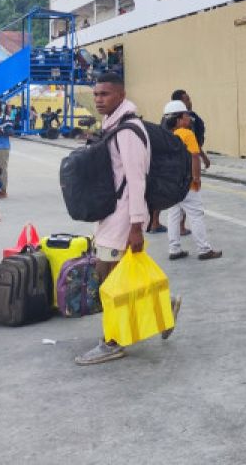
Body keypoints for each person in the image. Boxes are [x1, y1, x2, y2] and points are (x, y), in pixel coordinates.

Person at [76, 74, 178, 365]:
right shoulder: (114, 126)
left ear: (121, 95)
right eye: (95, 94)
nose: (98, 99)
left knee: (108, 281)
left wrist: (137, 226)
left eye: (105, 94)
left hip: (123, 218)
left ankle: (113, 341)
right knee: (115, 277)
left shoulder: (128, 132)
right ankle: (163, 307)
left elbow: (137, 181)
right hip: (111, 215)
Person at [163, 99, 222, 262]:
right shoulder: (187, 134)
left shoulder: (166, 135)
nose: (189, 118)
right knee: (196, 214)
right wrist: (196, 178)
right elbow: (194, 157)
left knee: (173, 214)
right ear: (179, 119)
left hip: (172, 182)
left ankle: (174, 249)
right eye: (187, 115)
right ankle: (204, 249)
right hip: (187, 181)